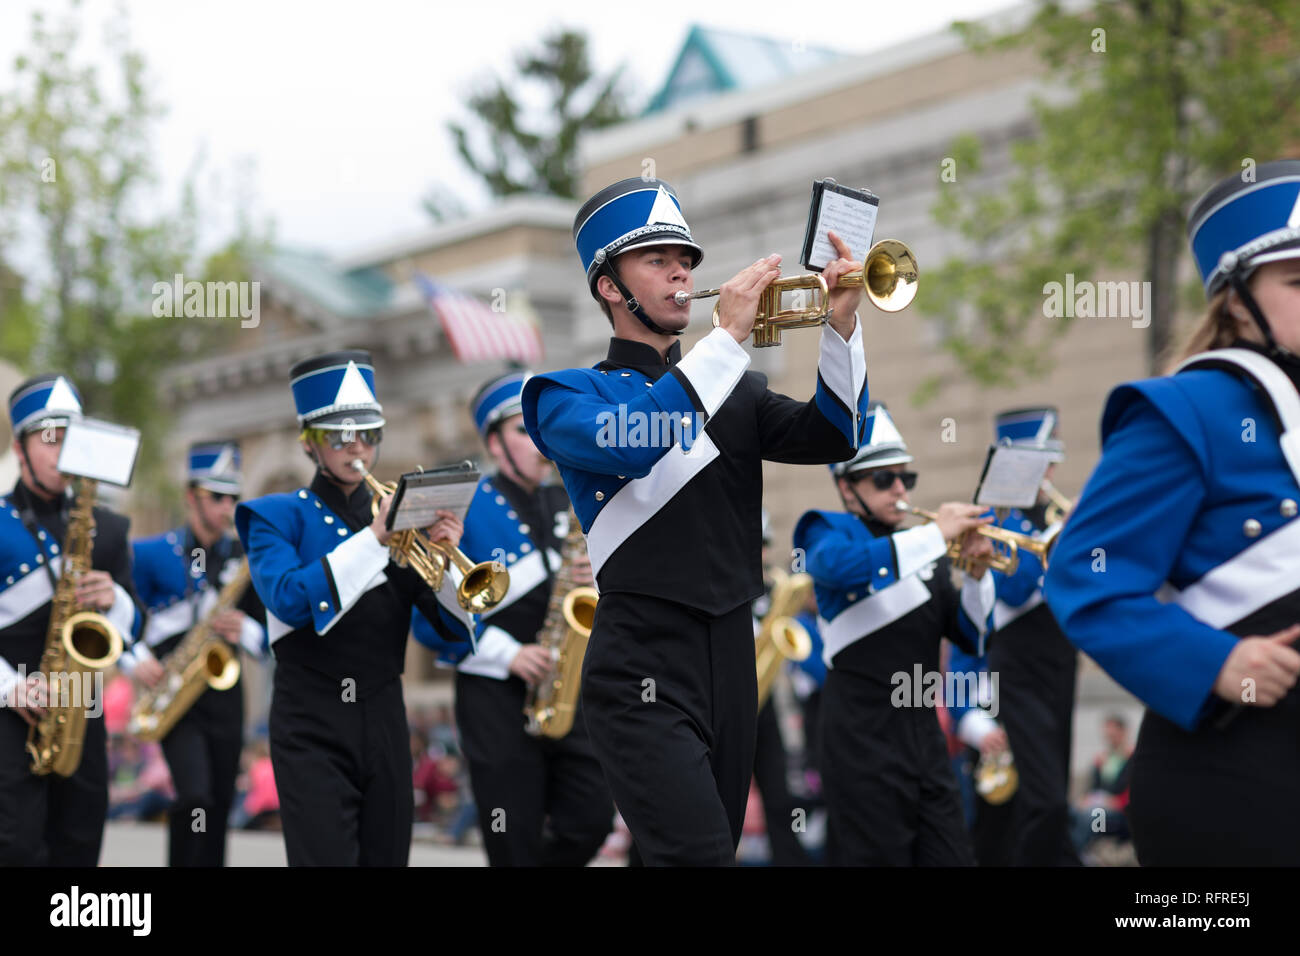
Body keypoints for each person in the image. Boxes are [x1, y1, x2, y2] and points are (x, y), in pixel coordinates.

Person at [521, 177, 869, 865]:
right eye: (656, 259)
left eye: (685, 258)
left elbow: (835, 437)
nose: (682, 271)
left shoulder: (733, 386)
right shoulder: (564, 396)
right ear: (608, 288)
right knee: (698, 856)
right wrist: (730, 337)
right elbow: (639, 438)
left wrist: (841, 326)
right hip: (640, 662)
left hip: (731, 655)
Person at [1046, 160, 1300, 865]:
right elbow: (1084, 576)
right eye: (1298, 281)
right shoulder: (1187, 411)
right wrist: (1218, 661)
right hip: (1234, 780)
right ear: (1238, 300)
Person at [235, 349, 474, 865]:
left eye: (367, 434)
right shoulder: (274, 516)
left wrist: (447, 559)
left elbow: (452, 632)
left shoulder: (400, 519)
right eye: (339, 435)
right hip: (309, 722)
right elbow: (291, 600)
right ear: (308, 441)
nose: (356, 446)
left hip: (387, 719)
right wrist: (374, 538)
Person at [413, 370, 613, 866]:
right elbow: (427, 617)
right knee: (511, 833)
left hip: (566, 687)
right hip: (495, 695)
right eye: (523, 430)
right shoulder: (464, 504)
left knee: (592, 818)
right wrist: (508, 654)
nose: (538, 441)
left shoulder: (568, 495)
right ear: (494, 442)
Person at [793, 402, 996, 865]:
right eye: (883, 479)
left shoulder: (925, 551)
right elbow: (836, 568)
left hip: (926, 740)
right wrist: (935, 537)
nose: (900, 490)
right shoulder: (828, 530)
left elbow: (972, 638)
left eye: (906, 478)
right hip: (861, 744)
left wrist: (980, 577)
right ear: (847, 488)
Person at [0, 374, 142, 865]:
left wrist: (116, 601)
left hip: (85, 714)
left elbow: (134, 629)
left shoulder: (111, 528)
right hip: (12, 712)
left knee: (80, 846)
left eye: (70, 438)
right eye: (49, 439)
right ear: (20, 450)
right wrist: (8, 688)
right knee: (17, 847)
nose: (63, 451)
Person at [130, 440, 268, 866]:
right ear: (191, 496)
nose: (227, 506)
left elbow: (268, 638)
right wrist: (137, 659)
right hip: (175, 692)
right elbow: (126, 620)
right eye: (217, 496)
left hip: (224, 694)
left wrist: (245, 630)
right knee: (195, 797)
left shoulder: (244, 557)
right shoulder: (152, 553)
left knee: (220, 801)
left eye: (233, 497)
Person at [984, 407, 1080, 865]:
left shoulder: (1050, 512)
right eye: (1045, 457)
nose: (1053, 470)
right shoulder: (997, 514)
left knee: (1055, 791)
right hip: (1017, 663)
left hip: (1060, 654)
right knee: (1047, 800)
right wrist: (1060, 538)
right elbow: (1013, 586)